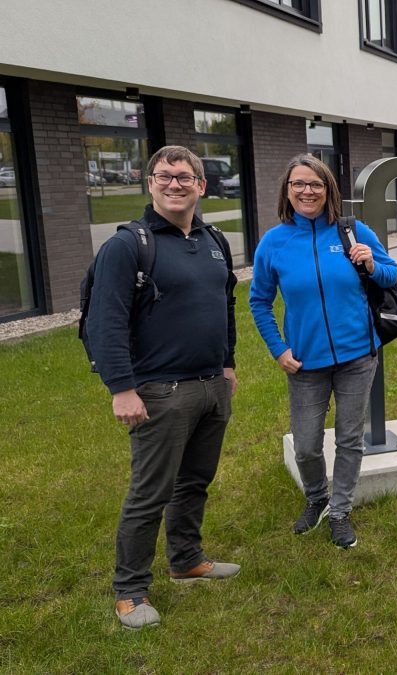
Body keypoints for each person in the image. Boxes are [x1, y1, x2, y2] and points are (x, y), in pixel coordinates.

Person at [87, 146, 240, 630]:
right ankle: (130, 591)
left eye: (185, 177)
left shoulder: (216, 239)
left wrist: (229, 365)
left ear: (202, 186)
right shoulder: (127, 245)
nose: (175, 184)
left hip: (212, 385)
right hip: (159, 392)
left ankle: (186, 559)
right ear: (149, 183)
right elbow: (103, 322)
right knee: (150, 494)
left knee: (194, 481)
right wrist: (121, 387)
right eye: (164, 176)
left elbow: (225, 303)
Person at [249, 154, 397, 550]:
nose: (306, 191)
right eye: (298, 184)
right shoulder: (274, 243)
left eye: (315, 184)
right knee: (306, 445)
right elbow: (259, 301)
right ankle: (316, 497)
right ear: (287, 191)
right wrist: (278, 348)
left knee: (350, 439)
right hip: (304, 362)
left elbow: (391, 274)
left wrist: (370, 263)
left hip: (357, 356)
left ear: (328, 189)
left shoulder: (351, 230)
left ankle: (340, 510)